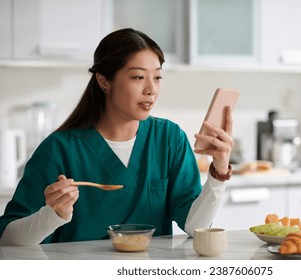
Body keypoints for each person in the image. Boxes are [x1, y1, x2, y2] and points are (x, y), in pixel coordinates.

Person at [0, 28, 234, 245]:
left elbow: (196, 227)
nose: (151, 89)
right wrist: (52, 215)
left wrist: (219, 173)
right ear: (104, 81)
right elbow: (8, 239)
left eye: (158, 77)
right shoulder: (58, 149)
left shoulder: (169, 138)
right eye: (138, 77)